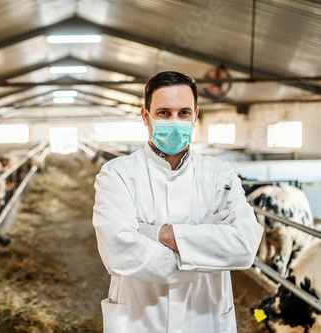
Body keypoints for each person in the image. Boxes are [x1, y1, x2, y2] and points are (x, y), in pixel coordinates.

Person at [92, 71, 264, 333]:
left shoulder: (220, 174)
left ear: (195, 116)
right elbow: (119, 252)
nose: (175, 121)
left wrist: (155, 232)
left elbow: (245, 246)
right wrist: (204, 251)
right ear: (145, 116)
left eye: (184, 113)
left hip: (205, 318)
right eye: (163, 113)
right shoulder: (117, 174)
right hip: (140, 321)